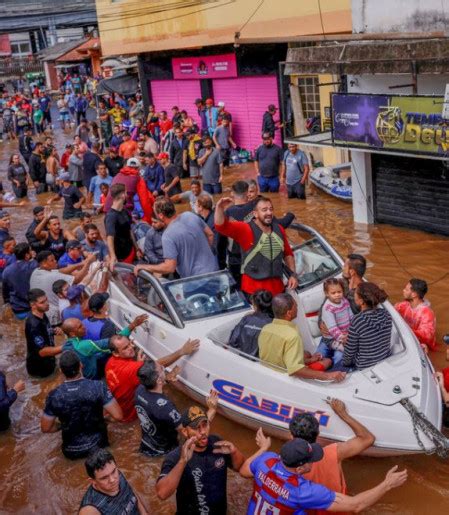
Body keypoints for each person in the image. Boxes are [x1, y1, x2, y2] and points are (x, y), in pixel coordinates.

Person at [239, 435, 407, 514]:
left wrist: (262, 448)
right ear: (299, 469)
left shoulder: (266, 460)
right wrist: (387, 484)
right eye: (311, 460)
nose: (314, 462)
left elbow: (244, 469)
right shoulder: (302, 491)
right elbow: (355, 505)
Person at [156, 406, 245, 514]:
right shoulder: (175, 457)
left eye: (205, 425)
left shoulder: (217, 443)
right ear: (185, 431)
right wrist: (182, 462)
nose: (203, 431)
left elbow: (239, 467)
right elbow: (162, 493)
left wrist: (234, 451)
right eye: (196, 427)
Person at [290, 398, 375, 511]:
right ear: (318, 434)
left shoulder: (285, 464)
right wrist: (342, 414)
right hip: (340, 509)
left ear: (291, 436)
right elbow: (368, 439)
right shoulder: (334, 452)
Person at [41, 351, 123, 460]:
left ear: (61, 371)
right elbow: (118, 416)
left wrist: (64, 425)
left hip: (71, 451)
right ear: (81, 365)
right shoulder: (98, 387)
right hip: (98, 446)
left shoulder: (54, 396)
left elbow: (45, 428)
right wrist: (104, 419)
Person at [215, 196, 297, 296]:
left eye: (271, 209)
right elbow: (221, 227)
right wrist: (219, 208)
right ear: (255, 214)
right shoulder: (245, 229)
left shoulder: (279, 229)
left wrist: (292, 275)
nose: (269, 213)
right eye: (264, 210)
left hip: (278, 289)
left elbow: (288, 254)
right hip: (253, 292)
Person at [105, 335, 200, 422]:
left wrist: (138, 364)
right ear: (115, 353)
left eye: (130, 343)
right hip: (129, 417)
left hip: (113, 409)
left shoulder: (110, 362)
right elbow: (156, 365)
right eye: (126, 348)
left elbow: (129, 378)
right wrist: (182, 351)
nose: (132, 347)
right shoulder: (131, 369)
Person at [135, 360, 218, 457]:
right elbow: (188, 432)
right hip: (162, 452)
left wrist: (166, 380)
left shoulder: (139, 389)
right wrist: (212, 409)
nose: (163, 367)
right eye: (161, 368)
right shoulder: (166, 408)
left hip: (146, 444)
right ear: (158, 380)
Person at [259, 293, 346, 381]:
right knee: (328, 361)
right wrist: (329, 376)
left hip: (271, 373)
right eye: (295, 306)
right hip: (287, 377)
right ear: (289, 313)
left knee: (307, 354)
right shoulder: (292, 335)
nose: (297, 308)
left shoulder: (265, 329)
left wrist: (310, 360)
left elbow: (280, 357)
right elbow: (295, 370)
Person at [134, 198, 218, 279]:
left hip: (197, 281)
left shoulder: (168, 235)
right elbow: (210, 234)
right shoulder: (190, 215)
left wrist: (145, 267)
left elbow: (170, 267)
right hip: (215, 272)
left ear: (161, 216)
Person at [62, 314, 146, 380]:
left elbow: (88, 356)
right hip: (91, 379)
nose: (84, 327)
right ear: (72, 334)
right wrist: (133, 325)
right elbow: (113, 341)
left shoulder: (66, 345)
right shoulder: (84, 345)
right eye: (80, 327)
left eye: (82, 324)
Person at [30, 250, 96, 326]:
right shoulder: (52, 276)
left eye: (55, 259)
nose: (55, 261)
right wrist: (88, 262)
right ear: (44, 264)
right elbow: (77, 279)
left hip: (41, 313)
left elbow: (60, 271)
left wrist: (81, 264)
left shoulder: (36, 271)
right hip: (54, 317)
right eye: (52, 260)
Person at [79, 448, 148, 514]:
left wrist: (144, 513)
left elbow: (132, 493)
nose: (112, 480)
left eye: (113, 471)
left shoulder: (117, 473)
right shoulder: (90, 510)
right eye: (104, 478)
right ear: (93, 481)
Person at [342, 282, 392, 370]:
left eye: (355, 293)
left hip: (364, 366)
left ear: (361, 301)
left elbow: (349, 354)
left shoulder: (358, 320)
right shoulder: (386, 314)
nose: (353, 294)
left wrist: (345, 363)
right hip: (384, 359)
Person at [25, 289, 63, 377]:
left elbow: (44, 330)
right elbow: (42, 351)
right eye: (42, 302)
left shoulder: (42, 313)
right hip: (40, 369)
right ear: (33, 305)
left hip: (49, 361)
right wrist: (65, 346)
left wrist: (53, 330)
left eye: (46, 300)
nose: (47, 303)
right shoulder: (33, 325)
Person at [104, 157, 154, 223]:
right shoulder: (138, 179)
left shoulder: (117, 176)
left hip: (107, 210)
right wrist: (149, 220)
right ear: (138, 168)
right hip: (121, 211)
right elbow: (145, 200)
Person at [105, 183, 142, 270]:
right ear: (122, 195)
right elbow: (109, 237)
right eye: (126, 193)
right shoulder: (111, 216)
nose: (127, 195)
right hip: (121, 256)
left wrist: (137, 249)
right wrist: (113, 256)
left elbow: (129, 231)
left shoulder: (124, 211)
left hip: (131, 251)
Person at [317, 278, 354, 366]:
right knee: (348, 350)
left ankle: (335, 363)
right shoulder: (328, 308)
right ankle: (332, 366)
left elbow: (352, 317)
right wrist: (343, 338)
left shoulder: (345, 301)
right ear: (327, 294)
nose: (337, 295)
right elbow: (333, 329)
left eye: (339, 292)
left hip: (346, 335)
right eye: (333, 293)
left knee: (344, 353)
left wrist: (352, 332)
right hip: (331, 339)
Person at [395, 278, 437, 352]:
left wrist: (404, 329)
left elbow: (427, 336)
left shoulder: (427, 313)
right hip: (407, 337)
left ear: (414, 294)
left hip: (422, 346)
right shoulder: (404, 305)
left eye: (406, 289)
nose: (403, 290)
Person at [229, 290, 273, 357]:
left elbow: (233, 341)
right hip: (262, 362)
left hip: (242, 358)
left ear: (255, 305)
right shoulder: (274, 323)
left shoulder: (246, 319)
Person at [2, 243, 38, 319]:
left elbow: (5, 291)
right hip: (32, 307)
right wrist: (34, 258)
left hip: (16, 308)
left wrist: (7, 302)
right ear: (27, 255)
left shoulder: (7, 270)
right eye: (30, 251)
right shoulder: (33, 266)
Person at [195, 194, 227, 270]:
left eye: (196, 205)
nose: (195, 207)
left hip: (216, 260)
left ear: (201, 207)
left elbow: (215, 245)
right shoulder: (202, 219)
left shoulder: (213, 221)